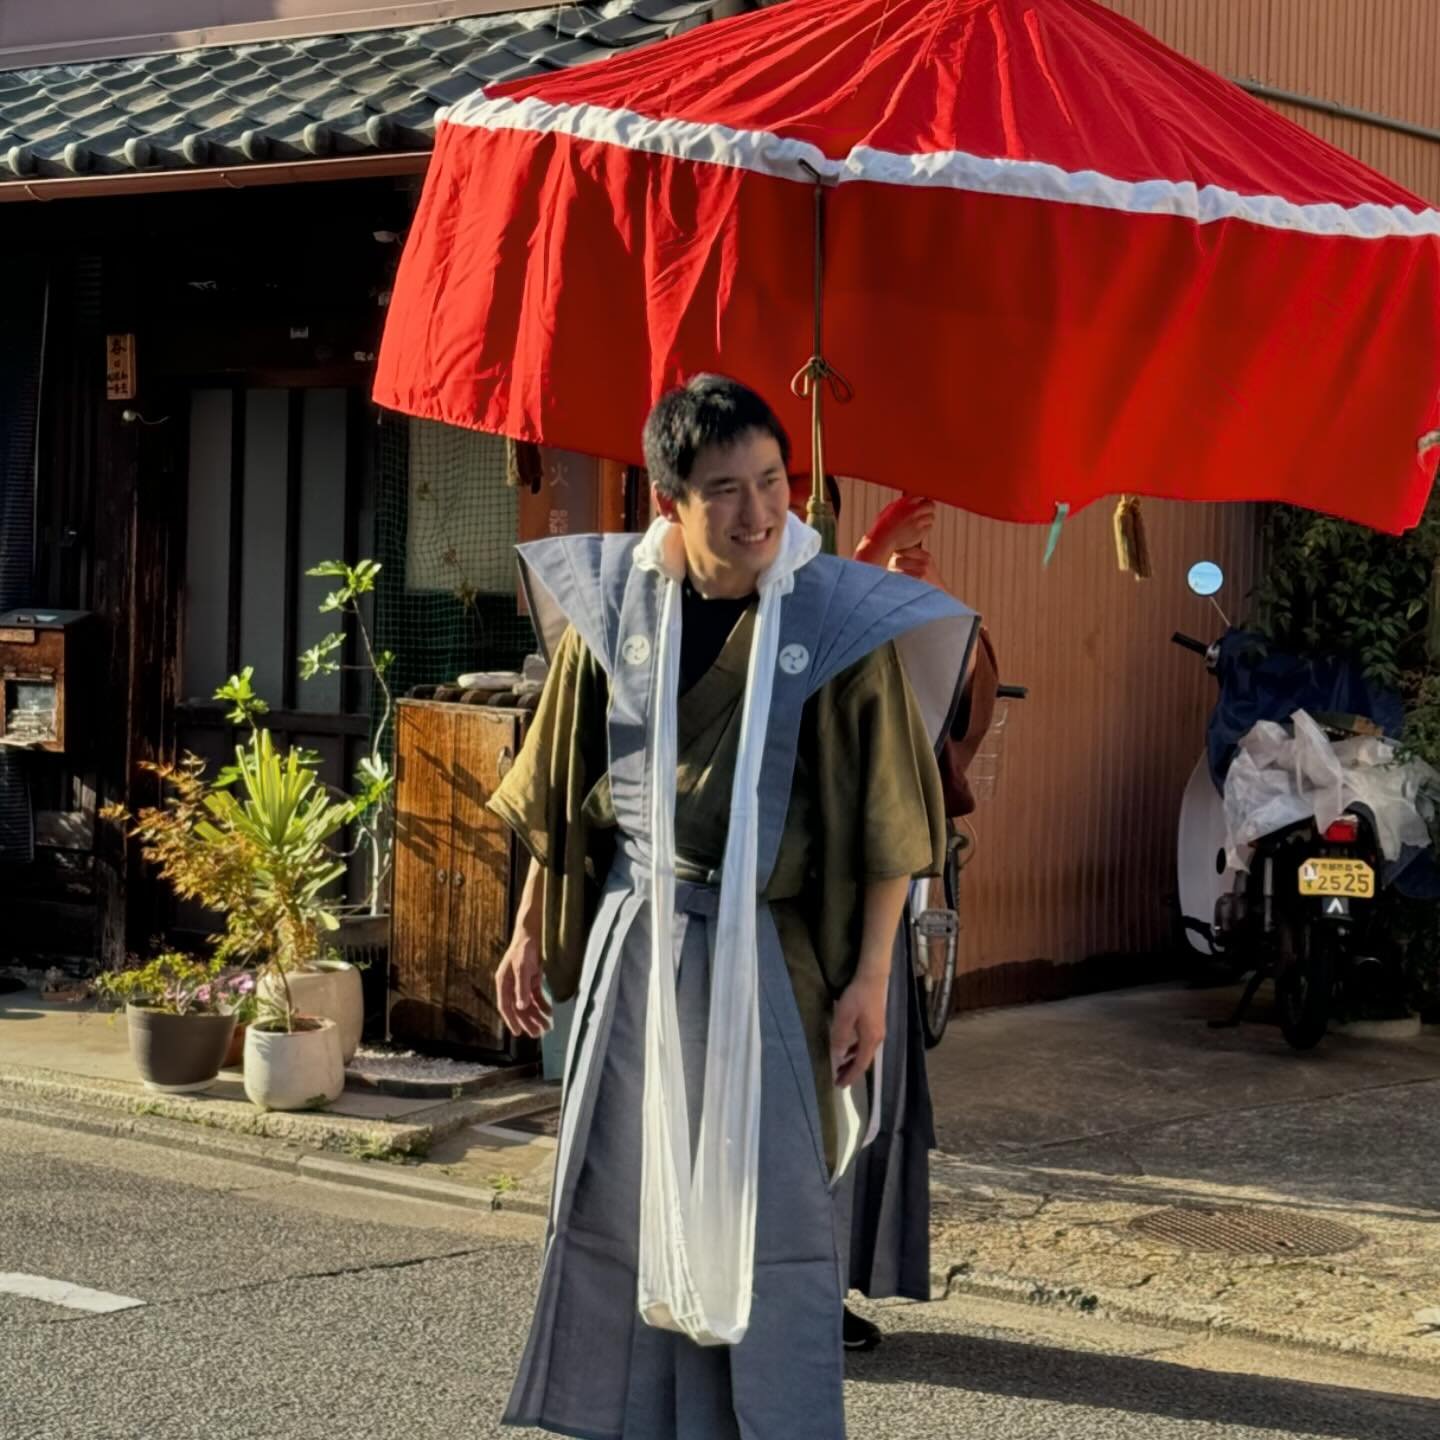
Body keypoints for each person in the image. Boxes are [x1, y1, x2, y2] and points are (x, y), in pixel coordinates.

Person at [490, 375, 976, 1439]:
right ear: (668, 500)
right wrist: (531, 927)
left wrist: (870, 982)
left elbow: (895, 821)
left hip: (770, 947)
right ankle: (611, 1416)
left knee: (768, 1204)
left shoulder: (833, 624)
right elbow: (563, 793)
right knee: (616, 1183)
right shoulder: (614, 613)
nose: (759, 513)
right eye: (725, 490)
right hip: (634, 934)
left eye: (772, 481)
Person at [787, 474, 994, 1353]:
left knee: (864, 1108)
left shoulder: (869, 603)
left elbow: (958, 703)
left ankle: (826, 1289)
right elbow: (794, 667)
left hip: (884, 903)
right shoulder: (754, 615)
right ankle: (796, 1299)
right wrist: (869, 563)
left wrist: (917, 592)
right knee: (816, 1110)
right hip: (803, 910)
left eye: (790, 494)